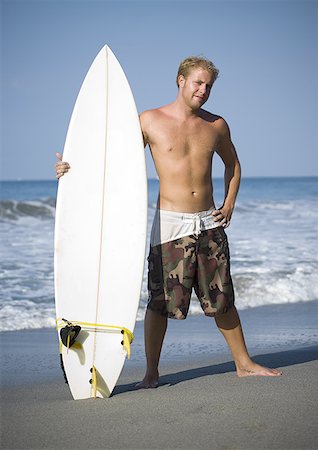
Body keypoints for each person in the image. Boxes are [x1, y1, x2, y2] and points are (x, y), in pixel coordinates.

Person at [55, 56, 282, 388]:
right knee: (160, 302)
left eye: (208, 86)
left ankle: (244, 363)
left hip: (208, 221)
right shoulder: (150, 120)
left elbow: (233, 165)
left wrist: (230, 202)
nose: (203, 91)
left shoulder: (216, 125)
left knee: (221, 297)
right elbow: (112, 161)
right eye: (197, 83)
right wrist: (71, 169)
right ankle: (152, 372)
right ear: (181, 80)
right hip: (170, 224)